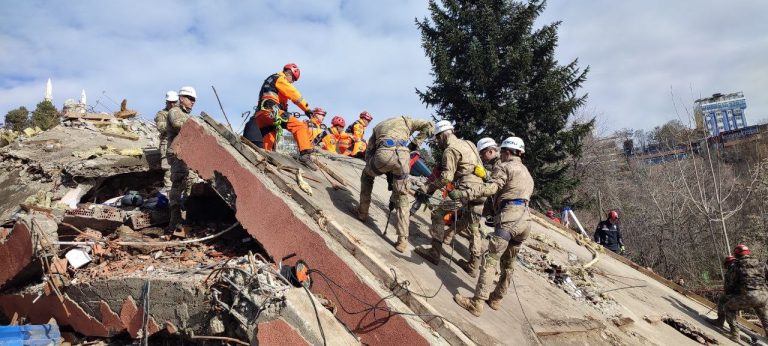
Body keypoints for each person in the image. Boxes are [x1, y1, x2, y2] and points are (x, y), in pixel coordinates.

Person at [453, 136, 534, 316]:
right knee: (509, 264)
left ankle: (477, 303)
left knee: (491, 260)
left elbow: (491, 189)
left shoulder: (504, 166)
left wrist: (464, 193)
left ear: (505, 152)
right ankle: (496, 299)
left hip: (509, 218)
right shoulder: (526, 172)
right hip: (525, 221)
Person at [414, 120, 487, 278]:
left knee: (438, 214)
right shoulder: (469, 143)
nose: (438, 143)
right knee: (474, 226)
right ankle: (474, 265)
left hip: (465, 189)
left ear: (442, 135)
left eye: (437, 139)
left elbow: (446, 178)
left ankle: (434, 252)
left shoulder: (450, 150)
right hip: (481, 191)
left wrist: (428, 188)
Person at [357, 116, 434, 253]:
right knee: (402, 197)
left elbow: (369, 151)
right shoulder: (408, 121)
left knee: (367, 176)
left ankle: (362, 213)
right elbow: (430, 126)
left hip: (384, 154)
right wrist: (414, 144)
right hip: (403, 158)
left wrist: (371, 164)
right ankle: (402, 240)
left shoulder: (378, 127)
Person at [246, 63, 317, 170]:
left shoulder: (271, 81)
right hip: (271, 113)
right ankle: (305, 154)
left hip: (261, 115)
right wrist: (306, 109)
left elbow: (280, 101)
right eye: (293, 79)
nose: (292, 82)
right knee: (300, 126)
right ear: (289, 73)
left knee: (269, 140)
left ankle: (264, 160)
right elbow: (294, 94)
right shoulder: (280, 79)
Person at [722, 244, 768, 341]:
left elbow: (730, 285)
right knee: (765, 319)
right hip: (764, 295)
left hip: (749, 296)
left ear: (737, 255)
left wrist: (732, 293)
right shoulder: (761, 263)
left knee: (727, 307)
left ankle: (735, 334)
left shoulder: (736, 265)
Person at [166, 86, 197, 230]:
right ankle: (174, 221)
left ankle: (184, 218)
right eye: (190, 99)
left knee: (188, 183)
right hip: (177, 153)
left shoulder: (188, 116)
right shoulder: (175, 112)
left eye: (194, 100)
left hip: (185, 154)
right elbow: (179, 125)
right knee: (178, 184)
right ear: (181, 98)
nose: (192, 102)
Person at [154, 90, 178, 193]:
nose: (172, 104)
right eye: (170, 102)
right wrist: (174, 123)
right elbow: (161, 127)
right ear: (167, 102)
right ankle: (170, 201)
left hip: (178, 144)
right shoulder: (162, 114)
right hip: (167, 144)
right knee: (169, 171)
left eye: (174, 102)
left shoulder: (179, 113)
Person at [709, 255, 737, 331]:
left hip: (736, 293)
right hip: (736, 292)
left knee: (727, 305)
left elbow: (732, 283)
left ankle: (733, 330)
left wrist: (729, 291)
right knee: (722, 300)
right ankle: (720, 321)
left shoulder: (733, 268)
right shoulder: (735, 267)